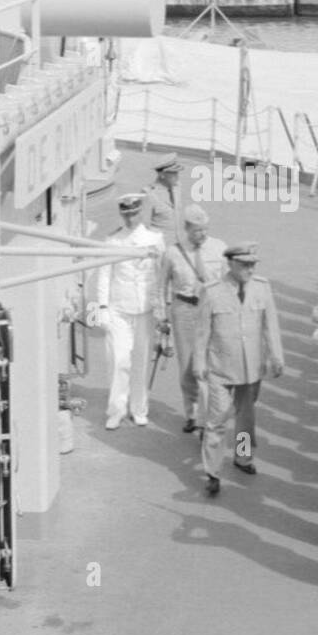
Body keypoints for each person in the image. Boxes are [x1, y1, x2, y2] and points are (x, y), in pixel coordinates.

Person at [194, 245, 285, 495]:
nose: (250, 269)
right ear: (230, 263)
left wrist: (276, 356)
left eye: (253, 264)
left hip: (250, 367)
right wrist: (199, 363)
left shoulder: (261, 287)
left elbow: (271, 325)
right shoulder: (212, 292)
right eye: (245, 264)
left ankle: (242, 457)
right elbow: (202, 332)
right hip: (220, 368)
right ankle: (212, 471)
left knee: (246, 418)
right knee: (217, 420)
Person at [95, 193, 164, 429]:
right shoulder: (113, 241)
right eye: (126, 213)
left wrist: (160, 308)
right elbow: (104, 274)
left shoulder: (155, 239)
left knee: (141, 361)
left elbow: (159, 276)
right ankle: (116, 410)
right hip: (119, 309)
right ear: (121, 214)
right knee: (118, 360)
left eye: (134, 213)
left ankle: (139, 409)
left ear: (141, 212)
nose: (130, 217)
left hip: (145, 308)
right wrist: (101, 308)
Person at [158, 204, 227, 433]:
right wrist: (162, 317)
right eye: (197, 230)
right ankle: (193, 413)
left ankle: (211, 414)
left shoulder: (219, 249)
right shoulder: (173, 252)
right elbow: (160, 288)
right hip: (184, 310)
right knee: (188, 365)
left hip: (213, 311)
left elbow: (228, 285)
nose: (202, 235)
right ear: (187, 229)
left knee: (213, 363)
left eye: (205, 229)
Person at [144, 154, 184, 242]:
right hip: (159, 247)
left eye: (177, 172)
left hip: (177, 246)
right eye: (173, 173)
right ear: (162, 174)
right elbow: (143, 227)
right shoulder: (149, 193)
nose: (177, 176)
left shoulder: (177, 187)